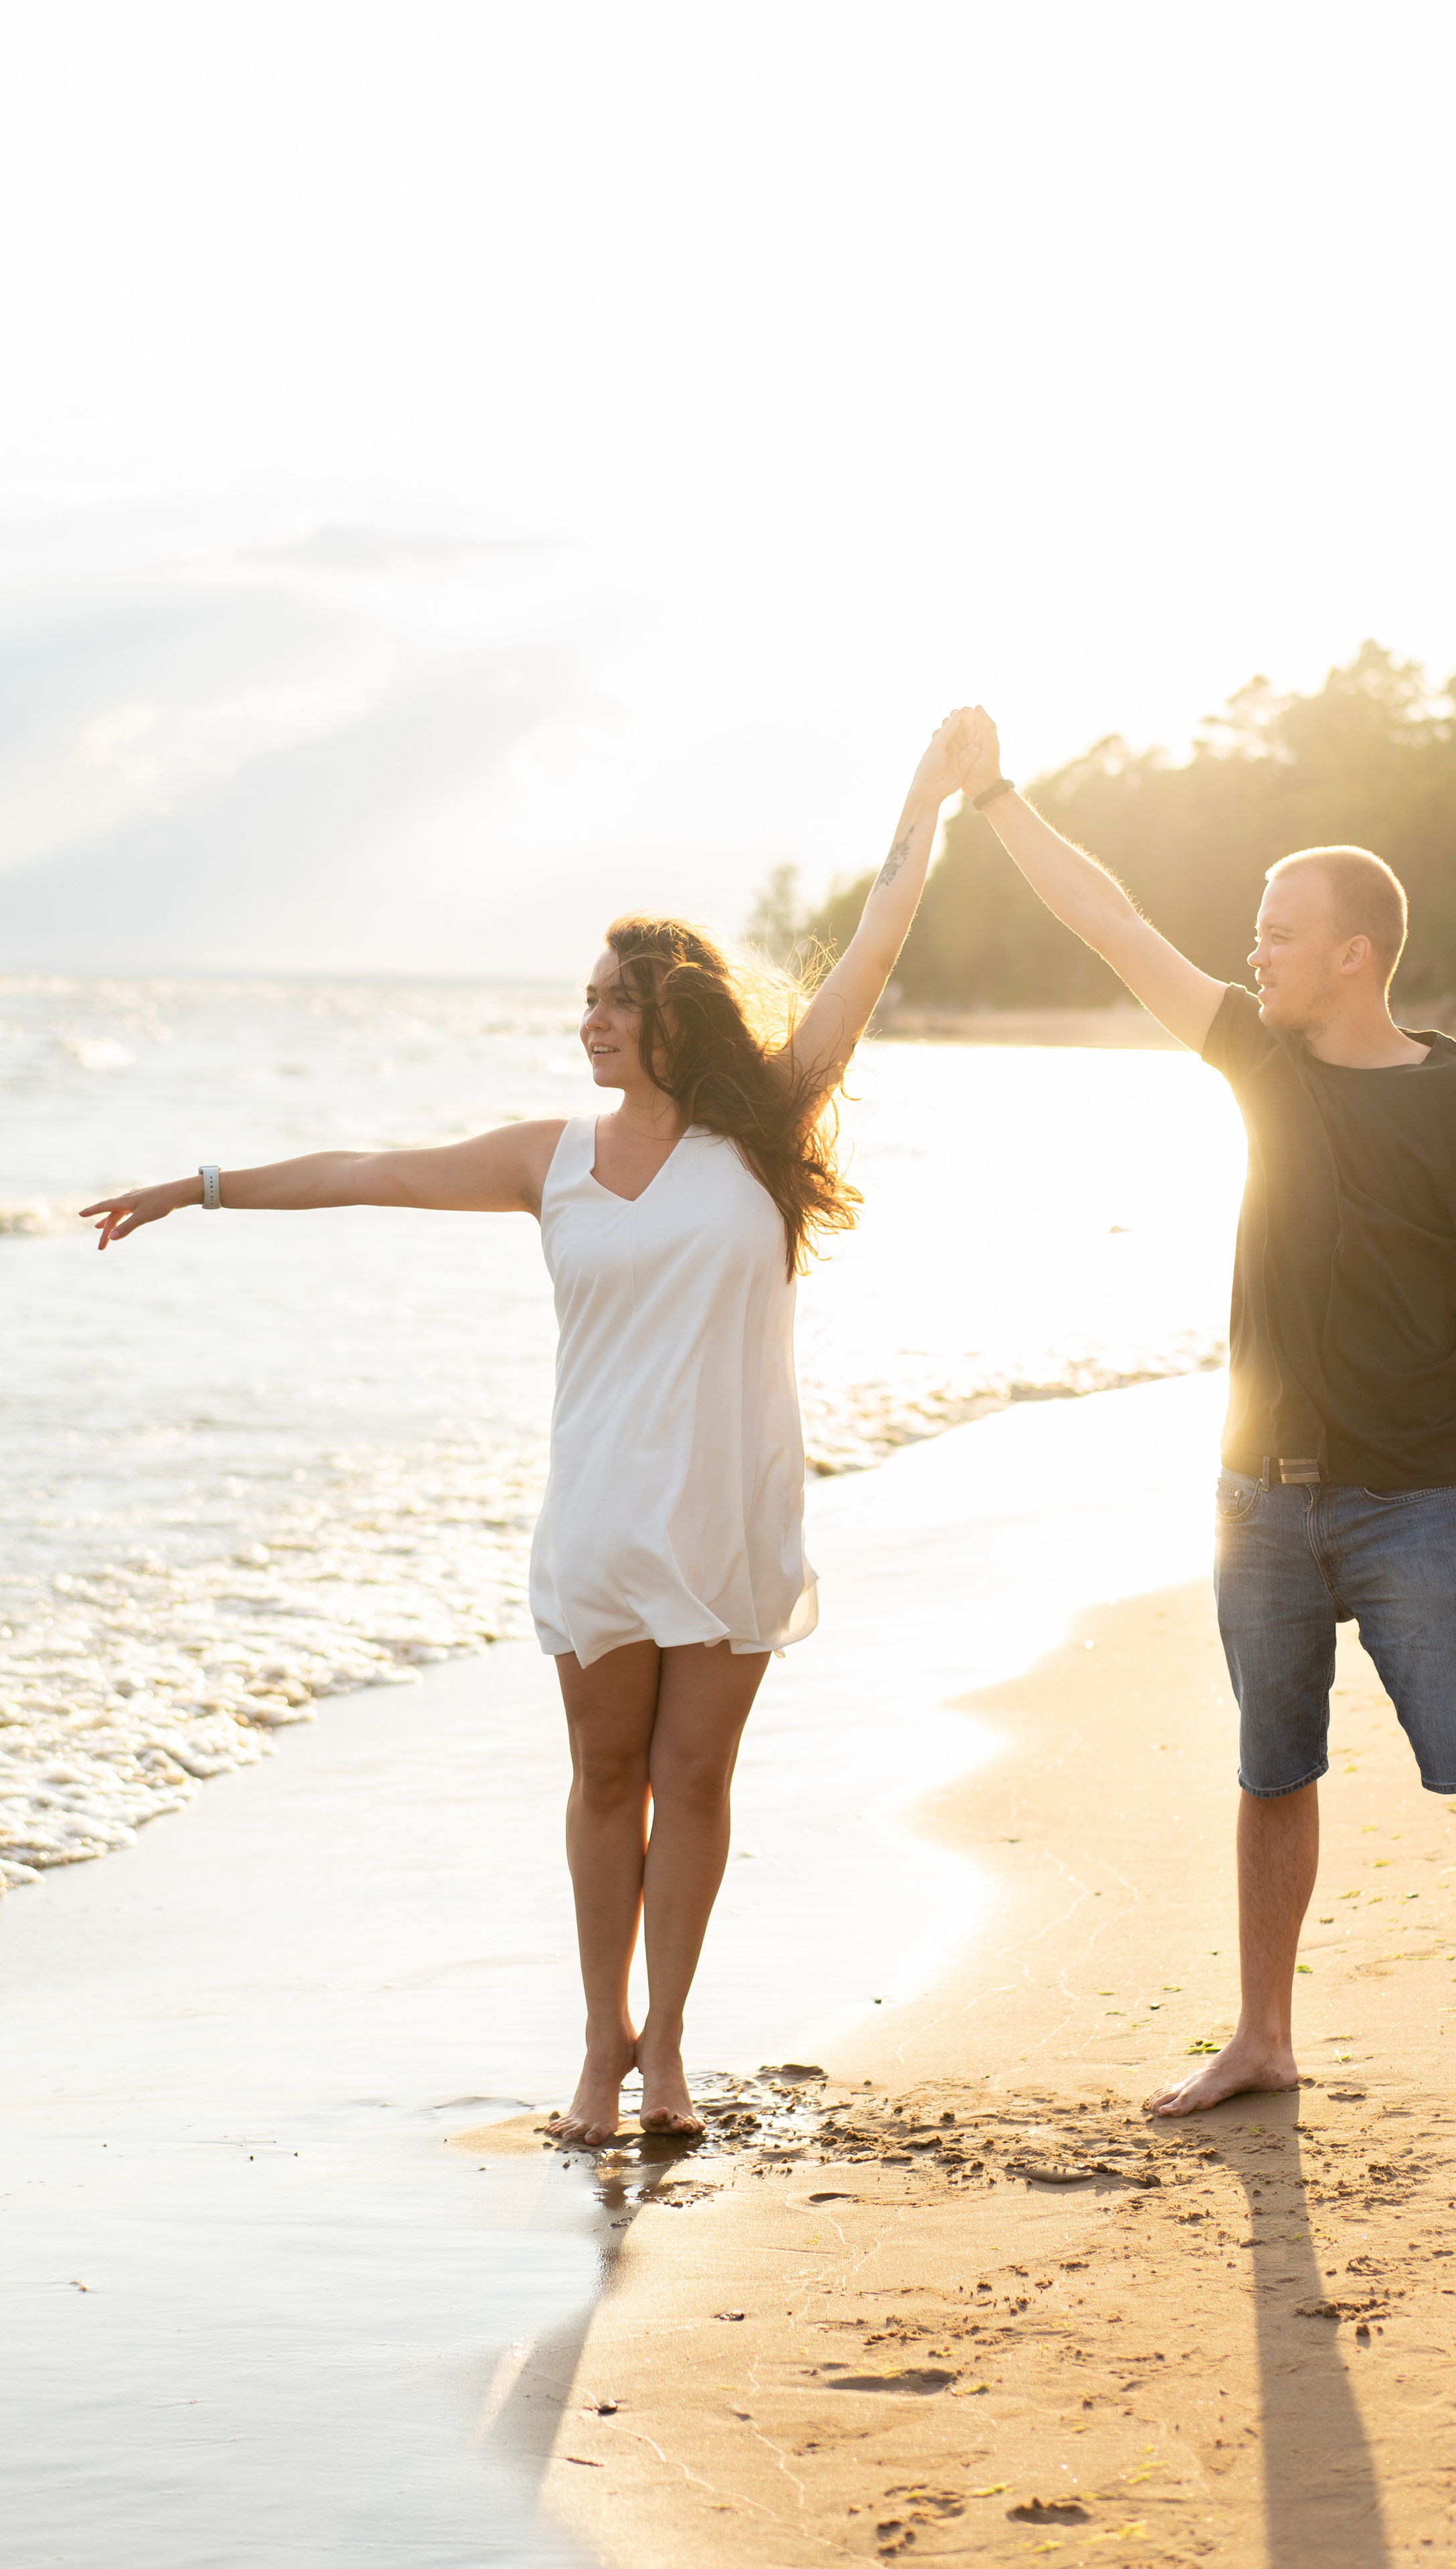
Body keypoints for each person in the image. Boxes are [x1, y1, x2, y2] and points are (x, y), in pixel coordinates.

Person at [80, 709, 982, 2147]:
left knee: (694, 1782)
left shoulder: (759, 1132)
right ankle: (596, 2045)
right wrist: (199, 1183)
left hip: (730, 1509)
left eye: (611, 1002)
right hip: (603, 1521)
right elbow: (368, 1169)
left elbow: (870, 949)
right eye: (584, 1001)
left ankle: (669, 2050)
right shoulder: (545, 1160)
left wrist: (926, 799)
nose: (589, 1021)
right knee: (603, 1779)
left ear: (670, 1014)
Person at [958, 709, 1456, 2131]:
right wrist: (997, 796)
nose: (1249, 950)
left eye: (1274, 932)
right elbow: (1113, 923)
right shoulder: (1256, 1062)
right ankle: (1259, 2035)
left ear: (1351, 956)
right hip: (1255, 1493)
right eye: (1252, 930)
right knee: (1273, 1771)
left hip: (1413, 1501)